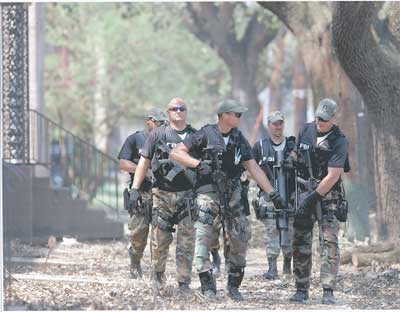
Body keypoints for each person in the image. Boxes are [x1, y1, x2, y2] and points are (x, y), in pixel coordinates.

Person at [170, 99, 287, 301]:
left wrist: (272, 193)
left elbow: (253, 167)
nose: (240, 118)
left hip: (234, 197)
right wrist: (197, 164)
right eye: (237, 114)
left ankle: (234, 287)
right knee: (202, 242)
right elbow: (176, 153)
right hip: (208, 195)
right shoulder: (204, 134)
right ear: (224, 115)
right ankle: (208, 286)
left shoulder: (238, 138)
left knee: (239, 242)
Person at [130, 97, 197, 292]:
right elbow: (144, 162)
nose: (178, 111)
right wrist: (135, 189)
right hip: (162, 194)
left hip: (188, 196)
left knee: (186, 242)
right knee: (159, 241)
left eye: (182, 108)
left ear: (186, 111)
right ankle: (158, 277)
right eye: (174, 109)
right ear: (168, 112)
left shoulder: (195, 136)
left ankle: (184, 282)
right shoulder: (158, 134)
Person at [289, 98, 350, 304]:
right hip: (303, 191)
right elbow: (296, 157)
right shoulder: (306, 130)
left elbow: (333, 175)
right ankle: (301, 288)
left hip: (328, 197)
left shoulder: (339, 140)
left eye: (324, 119)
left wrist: (313, 197)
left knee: (329, 242)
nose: (319, 122)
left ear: (334, 118)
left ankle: (328, 290)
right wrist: (291, 159)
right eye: (317, 118)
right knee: (300, 239)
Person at [118, 108, 166, 278]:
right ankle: (135, 260)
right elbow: (123, 163)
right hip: (141, 195)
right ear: (149, 121)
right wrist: (143, 170)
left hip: (161, 194)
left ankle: (157, 272)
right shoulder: (135, 139)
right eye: (157, 122)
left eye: (163, 123)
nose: (160, 126)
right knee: (138, 235)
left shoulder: (166, 140)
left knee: (159, 236)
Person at [252, 111, 296, 280]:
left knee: (289, 230)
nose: (278, 126)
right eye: (274, 123)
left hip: (290, 195)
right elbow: (251, 168)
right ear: (269, 125)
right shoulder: (260, 146)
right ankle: (272, 267)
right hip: (269, 196)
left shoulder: (292, 146)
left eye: (280, 123)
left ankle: (287, 264)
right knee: (272, 230)